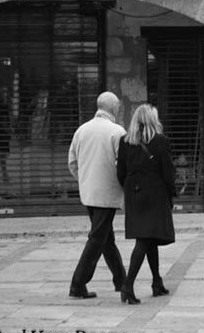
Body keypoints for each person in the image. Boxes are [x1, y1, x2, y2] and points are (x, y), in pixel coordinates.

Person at [68, 91, 127, 299]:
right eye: (118, 106)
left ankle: (121, 280)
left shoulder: (81, 130)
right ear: (114, 107)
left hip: (89, 193)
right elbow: (123, 165)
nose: (119, 109)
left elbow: (72, 163)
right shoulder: (117, 132)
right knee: (97, 238)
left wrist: (84, 181)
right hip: (107, 194)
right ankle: (78, 284)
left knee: (105, 238)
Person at [117, 104, 176, 305]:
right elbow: (168, 173)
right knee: (144, 239)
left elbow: (120, 173)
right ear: (153, 120)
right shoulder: (160, 141)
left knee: (149, 237)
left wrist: (130, 188)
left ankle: (157, 281)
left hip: (134, 195)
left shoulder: (125, 141)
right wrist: (171, 195)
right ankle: (127, 285)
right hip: (155, 194)